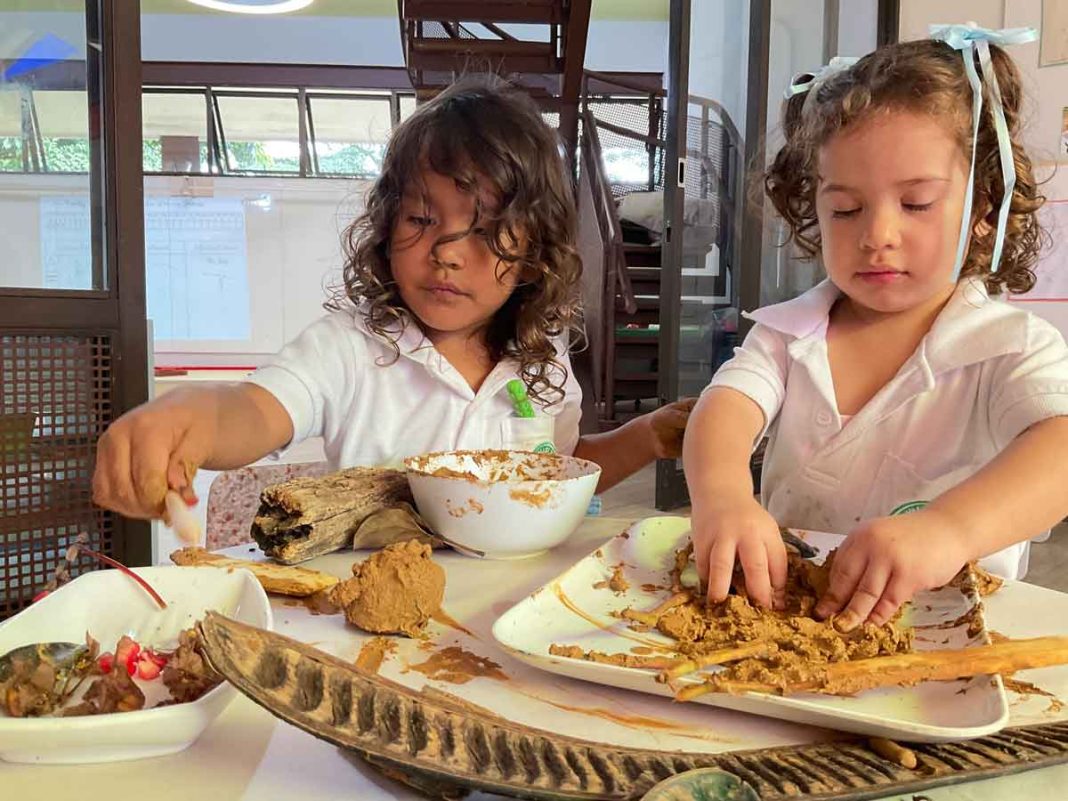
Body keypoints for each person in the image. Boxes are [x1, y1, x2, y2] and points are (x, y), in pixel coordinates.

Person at [92, 77, 693, 522]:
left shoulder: (544, 361)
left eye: (486, 231)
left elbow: (556, 473)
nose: (448, 253)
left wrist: (643, 437)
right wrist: (192, 411)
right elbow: (254, 410)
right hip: (369, 630)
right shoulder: (349, 349)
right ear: (385, 226)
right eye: (422, 219)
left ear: (536, 253)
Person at [683, 26, 1068, 631]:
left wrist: (947, 529)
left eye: (915, 204)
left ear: (983, 209)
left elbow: (1061, 448)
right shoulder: (788, 334)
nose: (876, 235)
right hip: (795, 621)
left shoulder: (1010, 348)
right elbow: (724, 410)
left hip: (952, 633)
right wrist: (724, 496)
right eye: (845, 209)